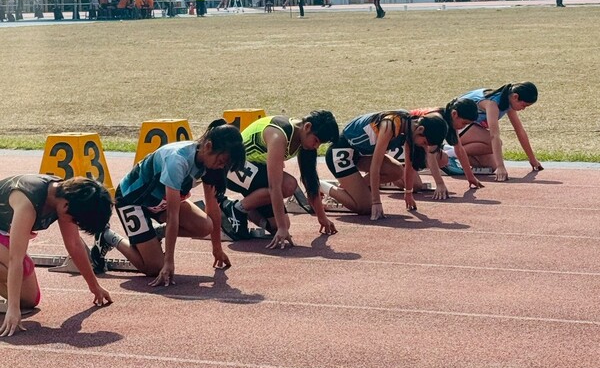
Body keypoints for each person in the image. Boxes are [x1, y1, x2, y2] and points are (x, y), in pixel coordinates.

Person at [91, 120, 245, 286]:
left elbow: (212, 207)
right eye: (221, 161)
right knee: (154, 268)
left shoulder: (210, 164)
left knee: (205, 226)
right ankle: (108, 236)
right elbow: (173, 215)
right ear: (208, 146)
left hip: (160, 202)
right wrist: (169, 262)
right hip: (133, 200)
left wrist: (217, 249)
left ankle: (155, 233)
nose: (221, 167)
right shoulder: (177, 161)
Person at [0, 175, 113, 337]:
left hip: (3, 232)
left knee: (28, 300)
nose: (74, 224)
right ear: (66, 205)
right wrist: (12, 308)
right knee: (16, 282)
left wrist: (94, 286)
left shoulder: (65, 198)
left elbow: (74, 244)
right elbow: (15, 259)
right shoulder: (28, 202)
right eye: (75, 221)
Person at [223, 111, 340, 249]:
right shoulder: (279, 135)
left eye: (320, 144)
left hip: (254, 171)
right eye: (316, 141)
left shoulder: (304, 139)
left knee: (277, 225)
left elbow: (310, 181)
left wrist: (322, 217)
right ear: (307, 127)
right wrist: (282, 228)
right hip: (231, 167)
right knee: (288, 185)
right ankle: (235, 209)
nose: (316, 147)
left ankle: (237, 207)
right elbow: (274, 186)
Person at [323, 111, 448, 219]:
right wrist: (376, 202)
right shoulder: (390, 125)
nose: (424, 146)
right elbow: (375, 167)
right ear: (420, 130)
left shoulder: (410, 127)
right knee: (365, 207)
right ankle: (320, 186)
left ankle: (351, 187)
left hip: (359, 155)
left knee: (397, 171)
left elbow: (409, 165)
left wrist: (408, 193)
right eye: (425, 142)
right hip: (340, 153)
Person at [457, 83, 543, 181]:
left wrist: (532, 158)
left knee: (490, 165)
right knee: (491, 144)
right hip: (454, 126)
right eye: (524, 105)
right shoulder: (492, 103)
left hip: (466, 129)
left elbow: (519, 130)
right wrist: (501, 166)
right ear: (515, 97)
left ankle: (450, 158)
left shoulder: (508, 102)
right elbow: (494, 135)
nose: (523, 109)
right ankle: (448, 153)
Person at [410, 98, 484, 199]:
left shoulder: (451, 120)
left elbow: (459, 149)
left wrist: (470, 176)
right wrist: (439, 184)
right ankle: (395, 173)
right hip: (401, 146)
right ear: (454, 114)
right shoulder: (437, 121)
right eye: (464, 123)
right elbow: (430, 154)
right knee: (415, 186)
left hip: (414, 147)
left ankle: (409, 171)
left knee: (443, 159)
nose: (463, 127)